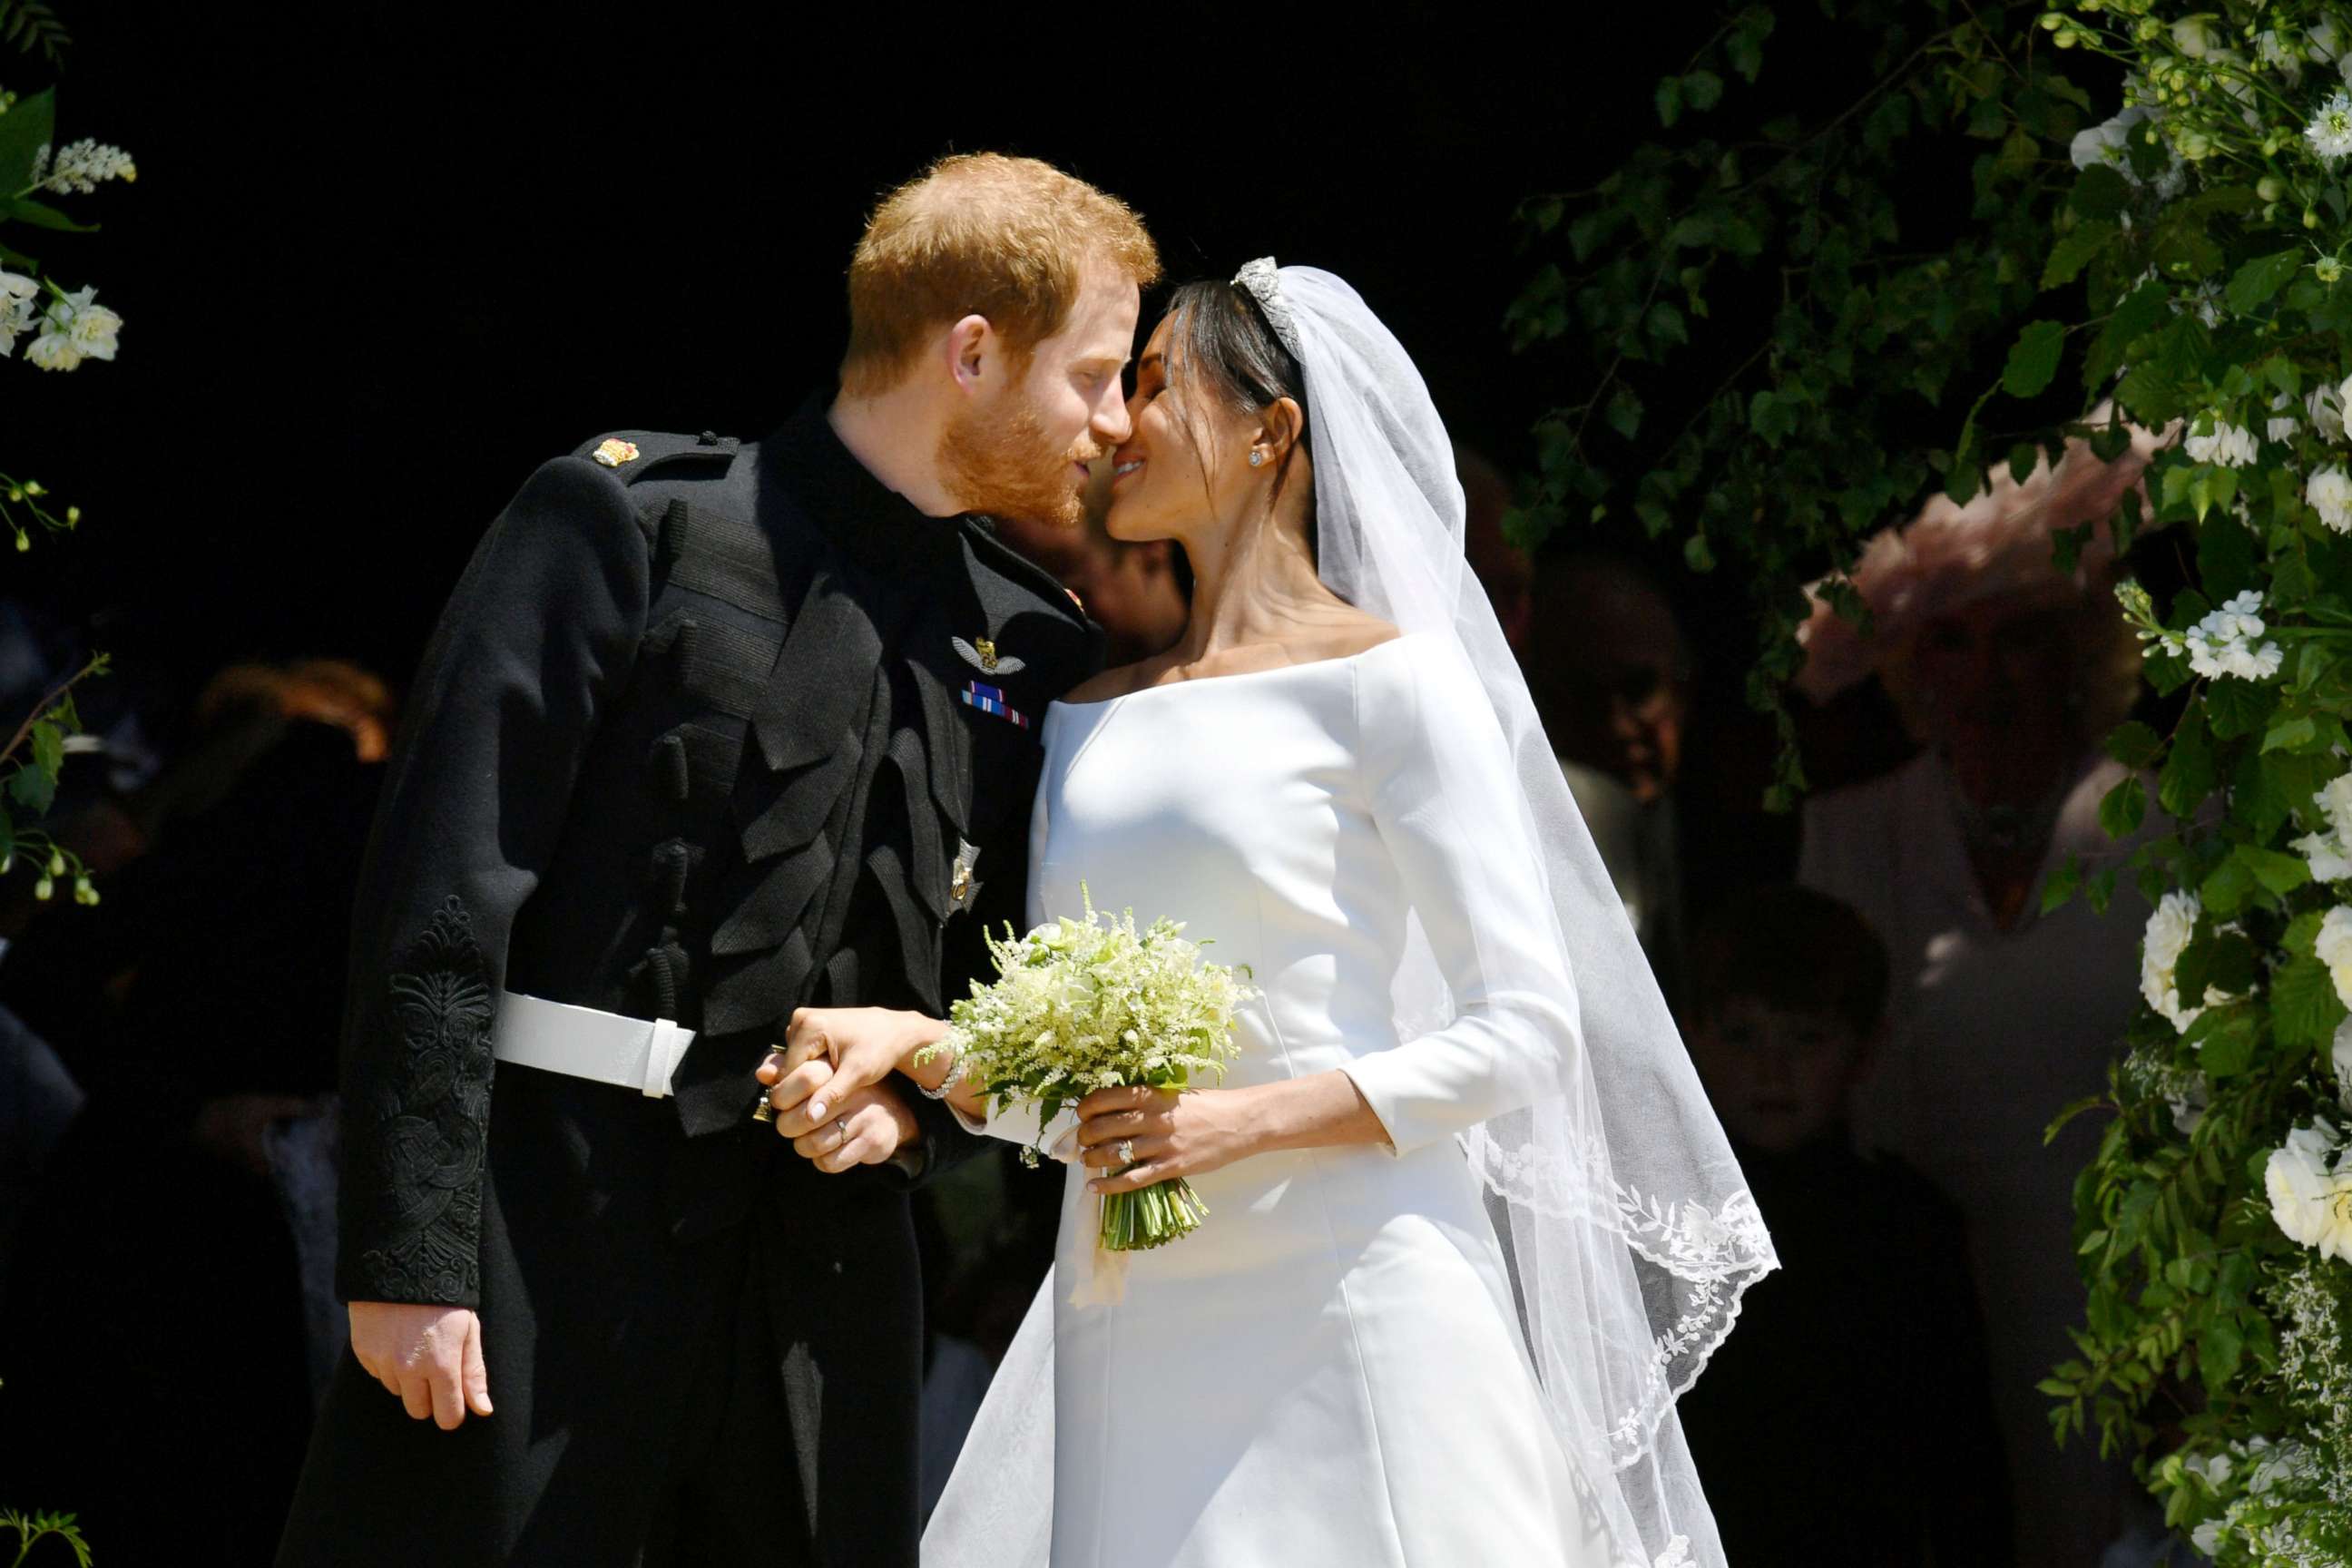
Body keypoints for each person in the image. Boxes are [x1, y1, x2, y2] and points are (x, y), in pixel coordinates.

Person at [762, 262, 1775, 1567]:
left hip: (1357, 1293)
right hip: (1132, 1321)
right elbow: (1086, 1099)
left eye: (1154, 384)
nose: (1117, 422)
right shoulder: (1088, 714)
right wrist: (919, 1046)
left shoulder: (1393, 686)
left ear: (1269, 432)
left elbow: (1528, 1032)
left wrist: (1240, 1121)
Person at [274, 152, 1158, 1568]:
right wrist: (408, 1259)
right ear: (974, 352)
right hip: (546, 1239)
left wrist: (917, 1115)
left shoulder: (1035, 645)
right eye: (1098, 374)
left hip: (826, 1295)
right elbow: (441, 901)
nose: (1115, 425)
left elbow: (994, 987)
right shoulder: (632, 524)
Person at [1792, 416, 2166, 1568]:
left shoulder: (2166, 818)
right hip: (1923, 1299)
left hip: (2129, 1290)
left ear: (2073, 652)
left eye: (2021, 642)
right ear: (1915, 667)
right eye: (1953, 642)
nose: (1988, 675)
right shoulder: (1847, 836)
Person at [1673, 883, 2014, 1565]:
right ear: (1692, 1041)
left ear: (1865, 1048)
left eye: (1806, 1037)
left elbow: (1964, 1465)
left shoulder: (1907, 1228)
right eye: (1742, 1036)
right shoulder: (1660, 1228)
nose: (1773, 1069)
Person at [1530, 551, 1695, 1004]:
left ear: (1682, 688)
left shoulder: (1733, 835)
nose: (1618, 727)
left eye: (1639, 689)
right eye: (1582, 697)